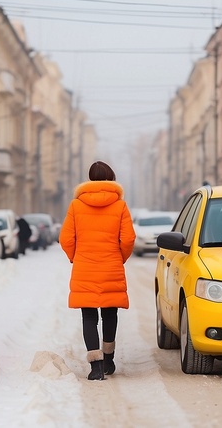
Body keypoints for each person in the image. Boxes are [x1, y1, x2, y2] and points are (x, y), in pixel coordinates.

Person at [59, 160, 136, 380]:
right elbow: (129, 238)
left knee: (89, 316)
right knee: (110, 313)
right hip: (111, 264)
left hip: (85, 266)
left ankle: (96, 367)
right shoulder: (120, 206)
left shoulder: (76, 206)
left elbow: (65, 238)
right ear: (111, 178)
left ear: (90, 179)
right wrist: (119, 257)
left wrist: (76, 256)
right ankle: (109, 360)